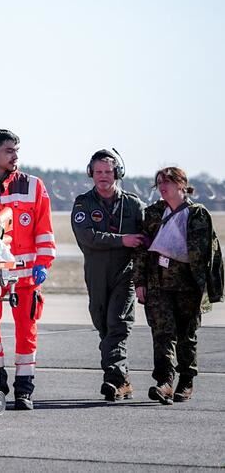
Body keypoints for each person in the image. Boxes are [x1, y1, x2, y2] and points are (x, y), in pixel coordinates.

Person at [0, 129, 55, 410]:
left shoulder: (34, 186)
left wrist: (43, 263)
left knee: (26, 331)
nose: (15, 156)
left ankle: (24, 390)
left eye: (17, 150)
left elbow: (44, 230)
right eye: (9, 150)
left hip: (26, 276)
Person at [134, 166, 220, 404]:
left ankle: (186, 380)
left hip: (188, 286)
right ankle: (165, 382)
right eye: (159, 182)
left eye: (168, 182)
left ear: (182, 184)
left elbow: (203, 254)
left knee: (186, 336)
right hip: (158, 284)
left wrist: (205, 289)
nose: (162, 187)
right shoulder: (153, 213)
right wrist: (139, 281)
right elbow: (141, 249)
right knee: (162, 334)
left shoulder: (197, 214)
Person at [70, 148, 147, 401]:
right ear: (91, 174)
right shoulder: (83, 203)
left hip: (125, 273)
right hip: (96, 274)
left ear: (118, 173)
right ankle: (123, 379)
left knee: (118, 325)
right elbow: (87, 236)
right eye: (98, 172)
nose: (103, 176)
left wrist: (143, 278)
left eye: (108, 171)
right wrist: (122, 240)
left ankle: (113, 379)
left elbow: (146, 241)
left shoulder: (133, 205)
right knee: (103, 325)